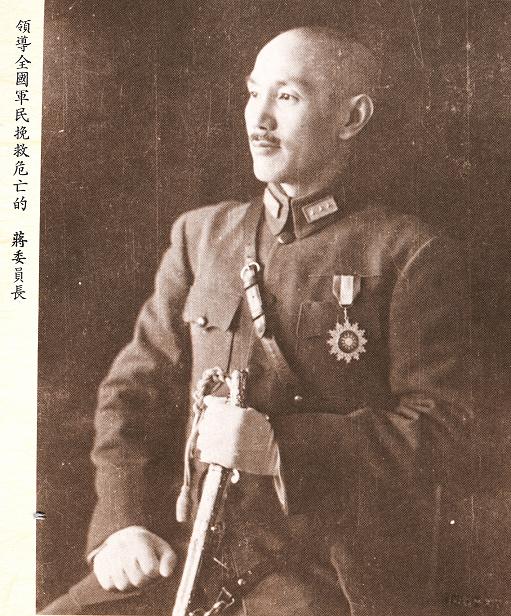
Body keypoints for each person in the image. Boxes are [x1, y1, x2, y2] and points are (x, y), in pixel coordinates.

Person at [41, 26, 474, 616]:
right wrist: (122, 524)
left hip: (325, 574)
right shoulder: (201, 237)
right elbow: (131, 394)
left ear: (351, 118)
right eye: (253, 93)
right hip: (188, 552)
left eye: (287, 97)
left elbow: (447, 429)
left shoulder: (408, 254)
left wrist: (280, 447)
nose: (258, 119)